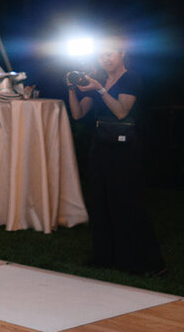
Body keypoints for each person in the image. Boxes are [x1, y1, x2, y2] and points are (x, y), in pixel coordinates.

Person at [65, 37, 165, 276]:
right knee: (100, 202)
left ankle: (147, 262)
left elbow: (121, 111)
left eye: (109, 54)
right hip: (100, 145)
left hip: (124, 147)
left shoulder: (131, 78)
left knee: (127, 202)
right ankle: (104, 257)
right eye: (101, 55)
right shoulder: (97, 80)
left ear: (121, 54)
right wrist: (71, 87)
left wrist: (100, 89)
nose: (105, 59)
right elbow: (78, 114)